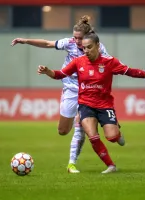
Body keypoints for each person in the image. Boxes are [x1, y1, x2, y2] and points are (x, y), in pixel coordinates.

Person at [37, 31, 145, 173]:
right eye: (84, 48)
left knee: (112, 137)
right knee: (93, 136)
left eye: (89, 47)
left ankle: (118, 134)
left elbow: (132, 72)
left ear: (98, 46)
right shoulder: (78, 62)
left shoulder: (110, 62)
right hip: (85, 104)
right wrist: (48, 71)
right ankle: (111, 166)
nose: (86, 51)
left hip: (105, 105)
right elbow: (60, 74)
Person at [11, 15, 124, 174]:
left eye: (80, 38)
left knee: (80, 126)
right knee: (63, 130)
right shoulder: (69, 43)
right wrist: (25, 40)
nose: (77, 41)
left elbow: (107, 66)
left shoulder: (99, 49)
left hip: (88, 91)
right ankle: (107, 123)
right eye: (75, 37)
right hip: (70, 90)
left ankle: (72, 164)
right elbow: (47, 43)